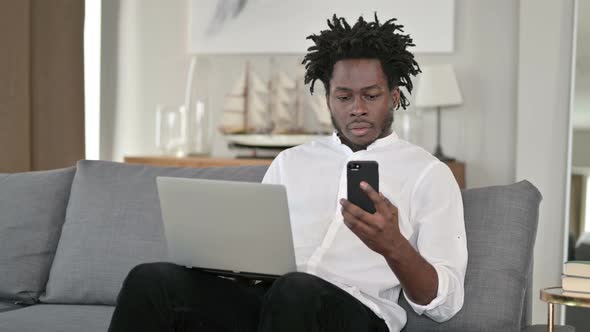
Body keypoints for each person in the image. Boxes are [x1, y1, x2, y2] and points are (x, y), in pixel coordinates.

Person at [108, 13, 467, 332]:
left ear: (395, 96)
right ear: (327, 98)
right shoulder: (290, 162)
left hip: (358, 314)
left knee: (296, 289)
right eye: (343, 97)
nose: (357, 109)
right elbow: (254, 254)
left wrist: (394, 247)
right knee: (152, 280)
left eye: (371, 96)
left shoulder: (429, 174)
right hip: (272, 302)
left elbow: (444, 305)